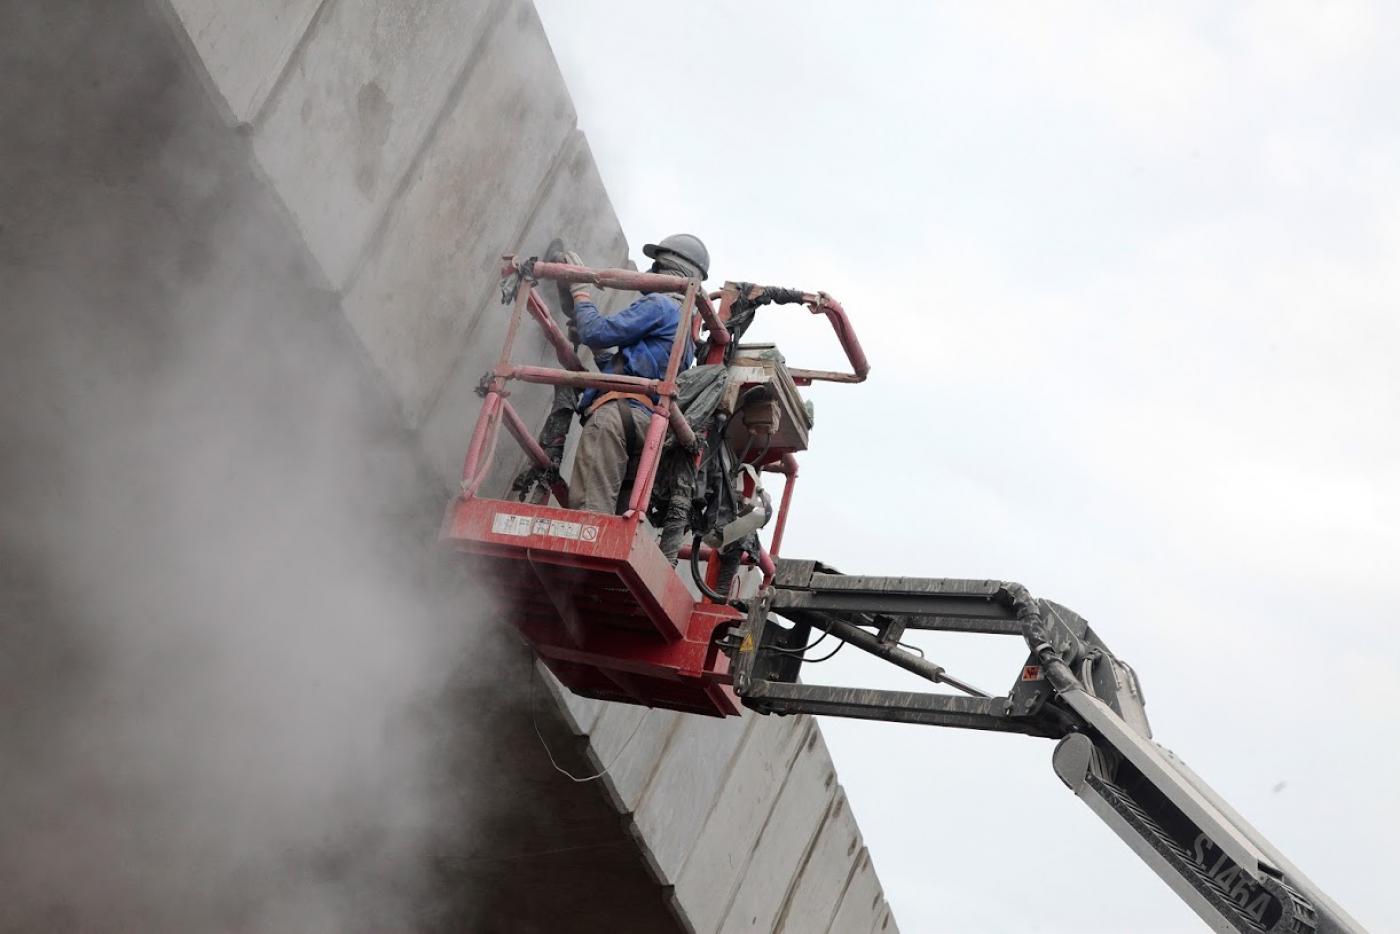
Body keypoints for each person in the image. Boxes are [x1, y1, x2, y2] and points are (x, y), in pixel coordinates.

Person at [560, 233, 709, 516]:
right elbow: (637, 371)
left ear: (668, 267)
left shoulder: (660, 305)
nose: (649, 273)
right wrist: (602, 354)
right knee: (612, 527)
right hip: (645, 428)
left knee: (587, 520)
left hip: (615, 419)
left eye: (656, 266)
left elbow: (597, 331)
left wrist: (580, 289)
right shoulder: (686, 334)